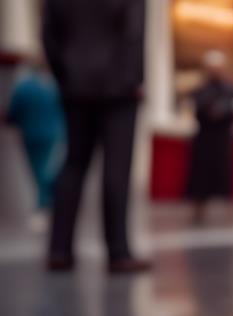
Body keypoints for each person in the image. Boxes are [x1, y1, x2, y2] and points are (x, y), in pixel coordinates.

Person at [42, 0, 150, 273]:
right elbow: (134, 33)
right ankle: (118, 252)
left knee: (73, 164)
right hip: (119, 88)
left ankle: (59, 250)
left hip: (74, 84)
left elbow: (49, 36)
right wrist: (135, 79)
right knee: (116, 170)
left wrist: (65, 76)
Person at [185, 51, 233, 224]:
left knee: (224, 175)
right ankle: (199, 209)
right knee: (201, 178)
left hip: (224, 139)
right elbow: (195, 109)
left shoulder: (232, 89)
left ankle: (227, 213)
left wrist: (227, 112)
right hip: (204, 139)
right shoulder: (200, 90)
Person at [5, 58, 66, 222]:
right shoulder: (54, 86)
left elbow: (13, 111)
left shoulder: (24, 87)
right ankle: (48, 204)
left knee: (38, 170)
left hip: (30, 134)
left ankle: (43, 206)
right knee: (46, 170)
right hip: (53, 134)